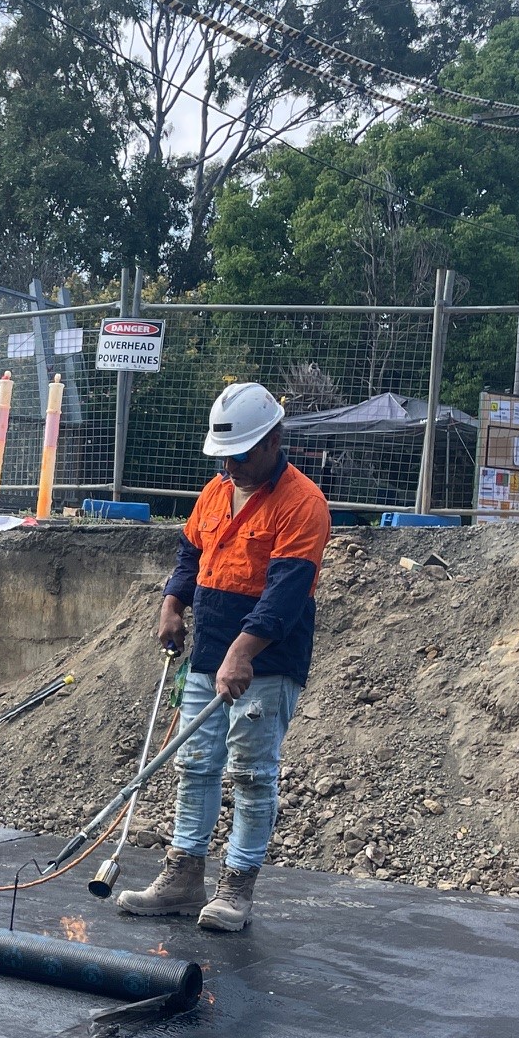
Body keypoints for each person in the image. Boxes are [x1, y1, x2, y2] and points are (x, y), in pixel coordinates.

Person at [116, 382, 331, 932]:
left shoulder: (302, 503)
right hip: (210, 651)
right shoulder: (215, 491)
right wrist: (171, 605)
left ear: (273, 440)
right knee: (195, 765)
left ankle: (238, 887)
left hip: (267, 659)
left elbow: (287, 592)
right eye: (225, 456)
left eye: (242, 455)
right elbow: (190, 552)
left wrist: (243, 652)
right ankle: (183, 878)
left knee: (253, 774)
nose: (232, 465)